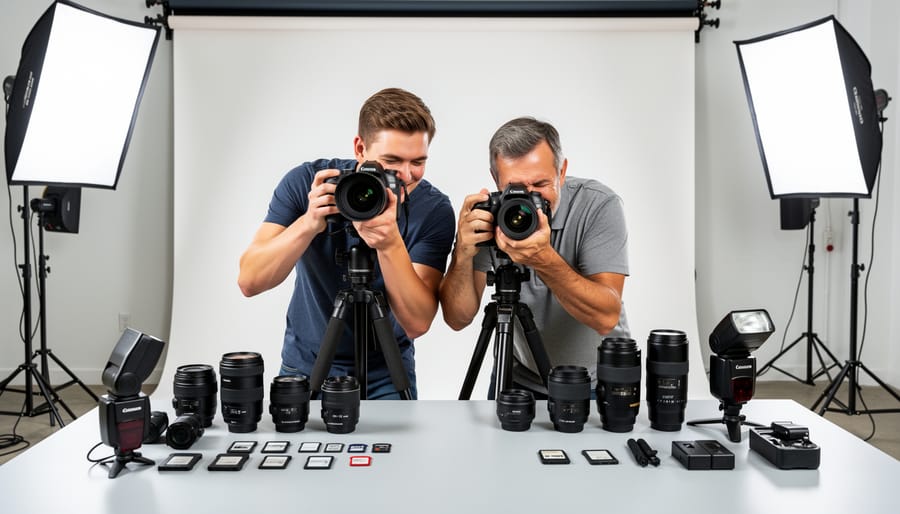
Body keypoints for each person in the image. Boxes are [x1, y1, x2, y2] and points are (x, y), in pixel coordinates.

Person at [238, 88, 455, 399]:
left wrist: (390, 244)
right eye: (392, 161)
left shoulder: (432, 209)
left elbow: (417, 323)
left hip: (388, 371)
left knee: (398, 449)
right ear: (360, 148)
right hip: (306, 366)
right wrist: (309, 223)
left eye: (418, 162)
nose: (406, 175)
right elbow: (250, 281)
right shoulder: (309, 183)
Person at [439, 116, 630, 397]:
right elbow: (458, 318)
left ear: (561, 172)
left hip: (595, 380)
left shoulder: (598, 205)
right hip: (517, 377)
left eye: (540, 184)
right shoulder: (492, 215)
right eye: (515, 189)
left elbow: (606, 317)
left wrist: (542, 257)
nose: (528, 202)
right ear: (496, 180)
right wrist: (463, 252)